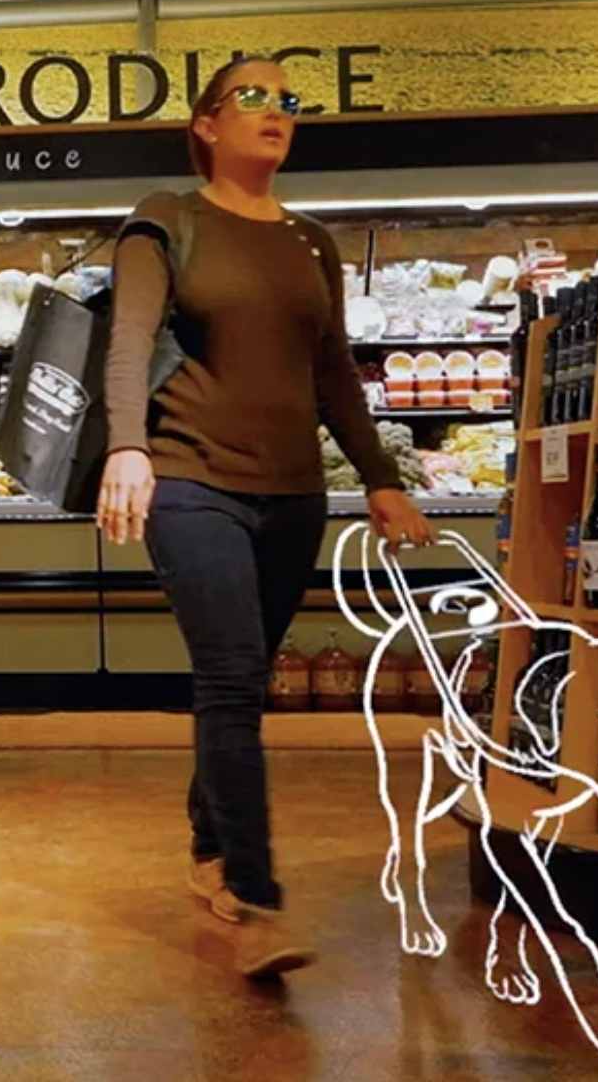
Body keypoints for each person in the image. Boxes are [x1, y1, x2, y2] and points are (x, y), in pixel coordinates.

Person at [98, 56, 435, 979]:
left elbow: (334, 374)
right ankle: (256, 898)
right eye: (253, 96)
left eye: (289, 100)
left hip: (294, 496)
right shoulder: (165, 219)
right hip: (190, 478)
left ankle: (209, 844)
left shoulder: (311, 242)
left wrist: (380, 477)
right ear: (205, 124)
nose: (275, 111)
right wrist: (128, 445)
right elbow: (128, 342)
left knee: (239, 684)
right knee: (237, 678)